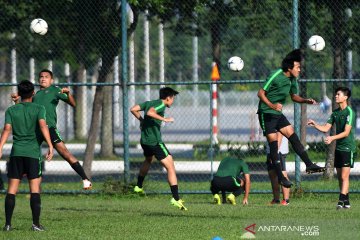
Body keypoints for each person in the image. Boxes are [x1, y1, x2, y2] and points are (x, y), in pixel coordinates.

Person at [12, 69, 92, 190]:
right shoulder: (35, 95)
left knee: (65, 153)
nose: (43, 78)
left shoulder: (55, 90)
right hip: (35, 130)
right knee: (27, 155)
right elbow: (24, 110)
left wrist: (68, 94)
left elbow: (73, 104)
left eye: (46, 77)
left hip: (49, 128)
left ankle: (85, 179)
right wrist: (16, 101)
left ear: (51, 80)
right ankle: (35, 191)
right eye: (41, 76)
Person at [257, 49, 325, 188]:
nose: (299, 70)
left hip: (277, 114)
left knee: (293, 136)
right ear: (289, 68)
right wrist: (271, 105)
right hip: (266, 113)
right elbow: (260, 93)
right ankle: (281, 177)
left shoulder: (292, 79)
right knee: (274, 146)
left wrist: (306, 101)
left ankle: (309, 164)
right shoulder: (276, 75)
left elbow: (294, 97)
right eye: (298, 67)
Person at [0, 80, 53, 231]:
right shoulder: (39, 108)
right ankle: (36, 224)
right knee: (34, 189)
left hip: (16, 153)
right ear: (33, 93)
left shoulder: (11, 111)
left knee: (11, 190)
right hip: (32, 154)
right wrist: (50, 145)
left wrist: (0, 147)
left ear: (19, 93)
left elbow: (6, 130)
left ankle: (8, 224)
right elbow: (43, 125)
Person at [130, 87, 187, 211]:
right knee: (170, 167)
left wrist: (141, 120)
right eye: (173, 99)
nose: (172, 101)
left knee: (148, 160)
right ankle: (176, 199)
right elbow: (150, 112)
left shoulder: (151, 102)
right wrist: (165, 119)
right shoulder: (160, 105)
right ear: (168, 98)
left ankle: (138, 186)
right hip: (154, 142)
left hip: (144, 141)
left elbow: (133, 109)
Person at [308, 87, 356, 210]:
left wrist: (332, 138)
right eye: (335, 94)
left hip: (347, 148)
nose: (335, 96)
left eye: (338, 94)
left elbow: (346, 133)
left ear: (345, 97)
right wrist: (315, 125)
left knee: (345, 177)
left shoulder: (349, 112)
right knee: (340, 177)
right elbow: (325, 128)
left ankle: (340, 201)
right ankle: (347, 201)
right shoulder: (335, 113)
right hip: (339, 148)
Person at [266, 133, 290, 205]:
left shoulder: (275, 121)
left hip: (279, 151)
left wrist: (275, 151)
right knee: (272, 174)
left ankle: (286, 200)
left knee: (282, 173)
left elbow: (279, 134)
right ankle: (276, 199)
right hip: (270, 151)